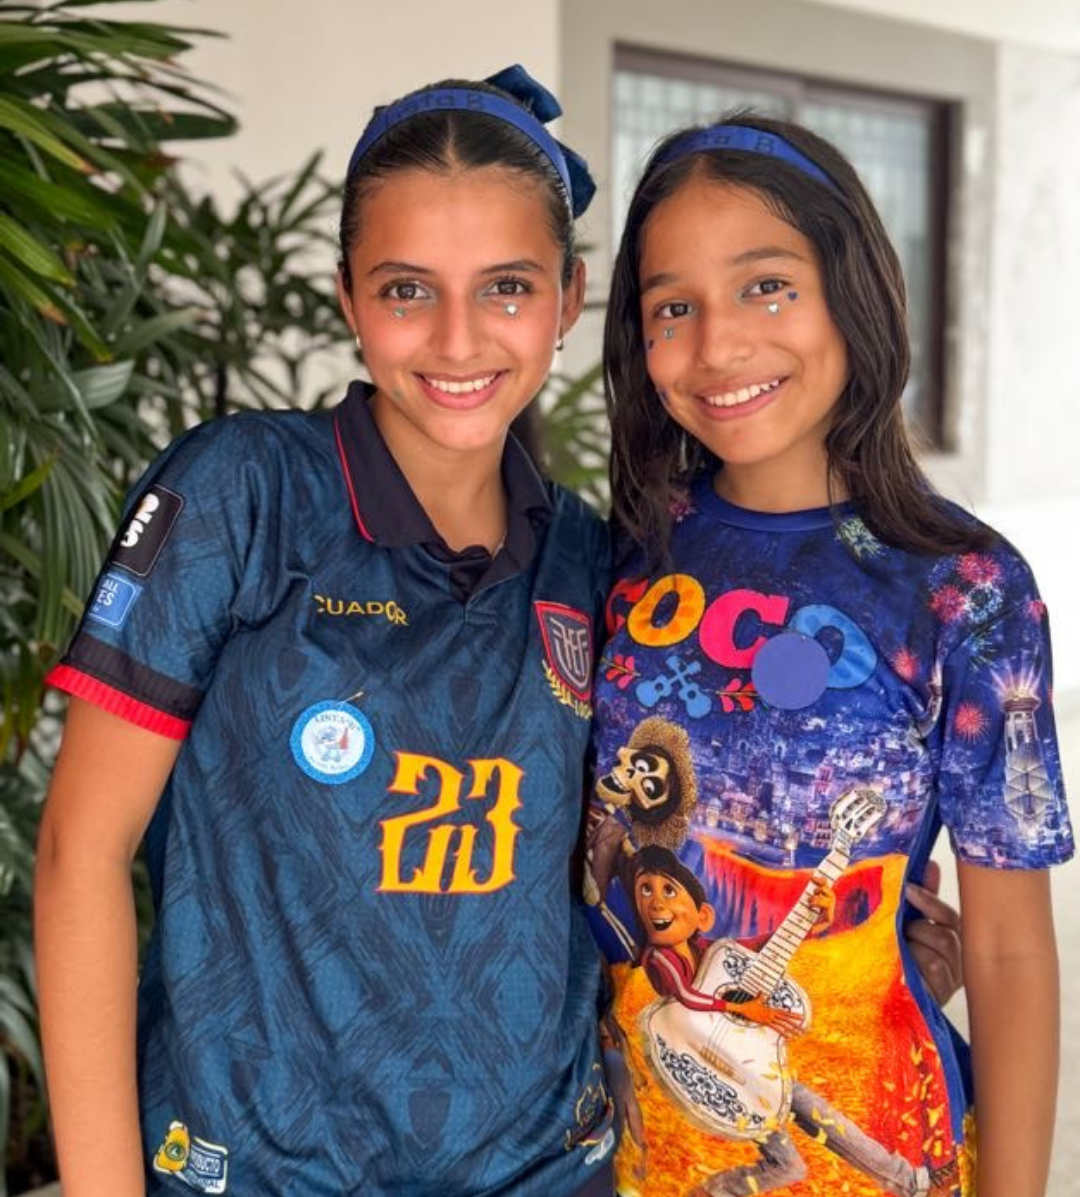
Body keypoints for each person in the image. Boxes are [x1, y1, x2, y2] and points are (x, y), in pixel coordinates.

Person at [34, 66, 618, 1197]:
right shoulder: (242, 494)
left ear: (567, 300)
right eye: (407, 291)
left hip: (548, 1170)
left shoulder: (589, 556)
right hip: (256, 1172)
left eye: (506, 287)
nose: (458, 338)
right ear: (348, 298)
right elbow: (79, 855)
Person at [588, 114, 1073, 1197]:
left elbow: (1008, 951)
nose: (719, 346)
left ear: (853, 291)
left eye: (767, 287)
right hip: (628, 1153)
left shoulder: (967, 589)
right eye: (674, 307)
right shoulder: (620, 553)